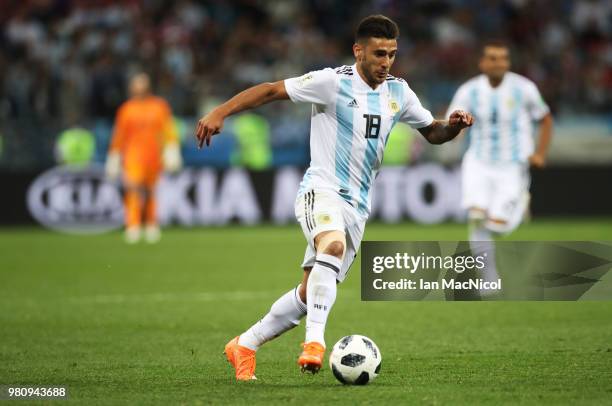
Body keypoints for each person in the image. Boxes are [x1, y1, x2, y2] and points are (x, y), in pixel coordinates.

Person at [195, 15, 473, 381]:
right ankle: (315, 343)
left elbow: (432, 132)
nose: (385, 62)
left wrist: (452, 126)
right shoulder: (331, 82)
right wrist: (220, 111)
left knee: (311, 293)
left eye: (391, 54)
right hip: (321, 190)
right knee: (333, 245)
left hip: (357, 206)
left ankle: (244, 345)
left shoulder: (399, 92)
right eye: (378, 54)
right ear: (358, 51)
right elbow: (269, 90)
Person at [445, 40, 553, 288]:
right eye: (493, 58)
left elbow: (545, 119)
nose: (498, 63)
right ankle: (488, 279)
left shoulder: (524, 88)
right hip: (478, 161)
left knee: (498, 227)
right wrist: (456, 131)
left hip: (512, 164)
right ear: (482, 63)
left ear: (508, 62)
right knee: (476, 216)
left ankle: (520, 203)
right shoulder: (469, 91)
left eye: (503, 58)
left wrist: (540, 153)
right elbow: (455, 121)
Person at [105, 73, 182, 244]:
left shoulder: (159, 106)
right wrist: (114, 156)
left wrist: (172, 150)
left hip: (154, 156)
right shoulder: (126, 109)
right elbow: (119, 135)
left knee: (151, 192)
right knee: (133, 190)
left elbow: (168, 129)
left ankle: (151, 224)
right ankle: (133, 225)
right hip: (133, 156)